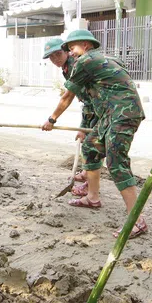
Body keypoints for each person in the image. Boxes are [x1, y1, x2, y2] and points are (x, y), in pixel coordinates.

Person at [42, 30, 146, 239]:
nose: (70, 53)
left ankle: (137, 220)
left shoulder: (85, 61)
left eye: (72, 48)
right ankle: (92, 197)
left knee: (117, 163)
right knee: (90, 147)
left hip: (123, 114)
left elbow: (68, 96)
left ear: (86, 45)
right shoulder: (100, 58)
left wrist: (52, 120)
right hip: (109, 115)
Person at [42, 38, 98, 196]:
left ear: (67, 51)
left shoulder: (76, 65)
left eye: (58, 54)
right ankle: (87, 175)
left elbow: (68, 97)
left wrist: (52, 119)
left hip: (103, 108)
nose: (55, 59)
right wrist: (82, 127)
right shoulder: (67, 67)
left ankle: (90, 188)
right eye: (51, 57)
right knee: (87, 142)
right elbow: (86, 101)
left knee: (93, 147)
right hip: (92, 107)